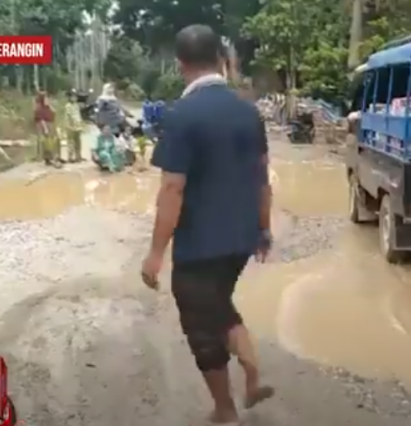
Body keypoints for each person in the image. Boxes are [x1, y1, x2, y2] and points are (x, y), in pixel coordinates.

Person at [140, 24, 274, 424]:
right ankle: (247, 375)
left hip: (200, 242)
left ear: (180, 65)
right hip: (241, 240)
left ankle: (227, 406)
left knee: (200, 323)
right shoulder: (248, 112)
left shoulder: (182, 115)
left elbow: (172, 190)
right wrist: (263, 230)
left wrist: (155, 253)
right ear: (222, 59)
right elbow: (262, 178)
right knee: (215, 303)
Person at [33, 91, 60, 166]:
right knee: (47, 142)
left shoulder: (48, 107)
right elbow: (41, 119)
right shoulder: (39, 108)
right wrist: (45, 128)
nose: (47, 100)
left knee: (53, 141)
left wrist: (50, 105)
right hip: (44, 125)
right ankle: (49, 158)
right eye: (46, 99)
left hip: (51, 124)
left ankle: (52, 157)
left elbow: (54, 113)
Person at [64, 90, 84, 162]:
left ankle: (78, 156)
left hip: (78, 126)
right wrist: (70, 125)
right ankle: (70, 157)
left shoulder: (76, 105)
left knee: (78, 142)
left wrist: (80, 124)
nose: (74, 98)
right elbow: (68, 116)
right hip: (71, 126)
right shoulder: (68, 106)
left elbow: (78, 115)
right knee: (71, 142)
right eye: (72, 97)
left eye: (75, 97)